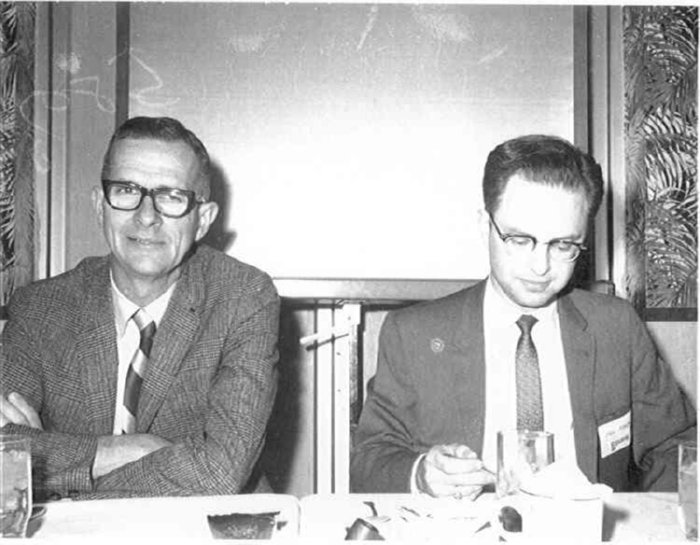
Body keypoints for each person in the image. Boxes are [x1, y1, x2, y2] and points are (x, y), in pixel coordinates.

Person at [350, 134, 696, 498]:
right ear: (485, 225)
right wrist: (421, 475)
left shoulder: (616, 327)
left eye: (563, 245)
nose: (540, 266)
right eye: (519, 240)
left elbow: (674, 446)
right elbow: (368, 461)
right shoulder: (413, 334)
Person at [0, 116, 280, 500]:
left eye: (171, 197)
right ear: (100, 206)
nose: (146, 217)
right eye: (126, 190)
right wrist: (123, 450)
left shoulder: (243, 297)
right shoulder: (40, 309)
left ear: (202, 220)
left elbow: (220, 472)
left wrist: (56, 467)